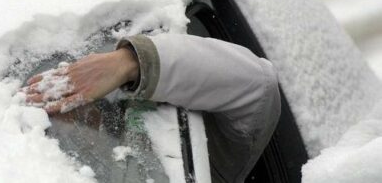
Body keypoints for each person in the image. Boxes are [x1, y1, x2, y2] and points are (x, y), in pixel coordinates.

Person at [21, 33, 281, 183]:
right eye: (55, 119)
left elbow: (257, 85)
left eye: (75, 98)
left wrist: (134, 62)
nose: (70, 115)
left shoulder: (179, 151)